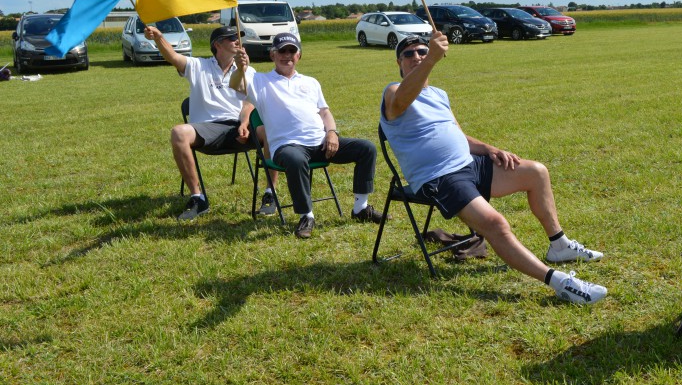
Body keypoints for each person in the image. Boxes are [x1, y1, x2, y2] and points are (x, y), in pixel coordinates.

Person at [380, 32, 606, 305]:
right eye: (409, 54)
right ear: (399, 63)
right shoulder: (393, 92)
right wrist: (431, 61)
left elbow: (458, 135)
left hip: (469, 164)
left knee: (537, 172)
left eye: (422, 52)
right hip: (440, 177)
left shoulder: (439, 94)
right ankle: (559, 282)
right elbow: (402, 102)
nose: (417, 57)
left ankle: (559, 245)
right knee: (496, 224)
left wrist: (489, 149)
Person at [231, 32, 382, 239]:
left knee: (366, 148)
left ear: (299, 55)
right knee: (295, 158)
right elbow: (237, 85)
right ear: (272, 55)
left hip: (320, 144)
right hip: (287, 147)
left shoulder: (311, 82)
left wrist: (331, 133)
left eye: (292, 51)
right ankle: (306, 215)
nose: (287, 55)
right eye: (281, 51)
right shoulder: (260, 81)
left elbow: (325, 112)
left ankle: (360, 208)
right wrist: (240, 68)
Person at [145, 24, 256, 222]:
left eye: (239, 37)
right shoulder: (198, 66)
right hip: (207, 128)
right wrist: (159, 38)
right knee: (179, 132)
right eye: (232, 38)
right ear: (218, 44)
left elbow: (251, 101)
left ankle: (269, 194)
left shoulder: (248, 69)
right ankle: (198, 197)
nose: (238, 41)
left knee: (273, 126)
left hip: (240, 126)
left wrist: (245, 122)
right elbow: (173, 56)